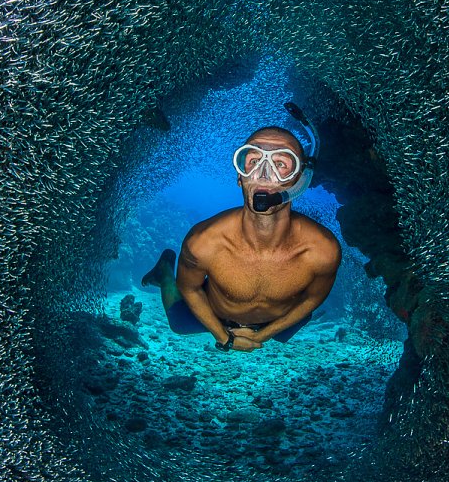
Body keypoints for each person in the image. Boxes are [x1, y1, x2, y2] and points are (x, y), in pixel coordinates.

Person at [141, 103, 341, 352]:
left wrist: (263, 335)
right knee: (179, 323)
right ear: (240, 176)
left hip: (278, 319)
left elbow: (313, 297)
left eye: (281, 164)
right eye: (253, 160)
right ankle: (164, 272)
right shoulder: (203, 241)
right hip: (219, 312)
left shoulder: (323, 250)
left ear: (299, 181)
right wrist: (225, 337)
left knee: (295, 325)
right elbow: (189, 288)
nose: (264, 174)